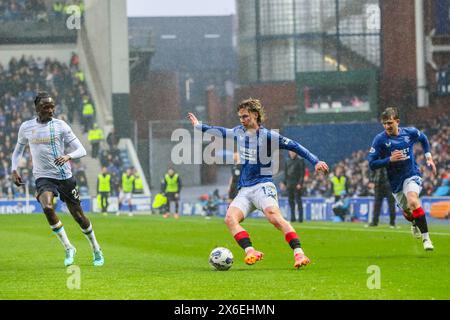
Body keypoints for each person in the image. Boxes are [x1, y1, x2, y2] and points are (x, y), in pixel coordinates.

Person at [187, 98, 329, 269]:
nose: (242, 120)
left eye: (245, 116)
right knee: (230, 219)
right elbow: (219, 131)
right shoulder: (238, 132)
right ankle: (250, 251)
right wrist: (199, 126)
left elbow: (295, 146)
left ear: (255, 115)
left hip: (263, 185)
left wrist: (315, 161)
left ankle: (299, 253)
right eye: (240, 117)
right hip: (245, 189)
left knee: (274, 217)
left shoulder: (269, 136)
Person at [11, 92, 104, 267]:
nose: (51, 110)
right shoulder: (26, 127)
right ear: (37, 108)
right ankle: (69, 247)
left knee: (78, 216)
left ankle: (96, 248)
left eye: (52, 106)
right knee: (47, 207)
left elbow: (81, 149)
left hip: (64, 177)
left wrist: (68, 156)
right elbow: (18, 151)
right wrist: (13, 169)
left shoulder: (61, 126)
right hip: (43, 177)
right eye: (46, 107)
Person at [368, 107, 437, 251]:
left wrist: (428, 157)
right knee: (408, 212)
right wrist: (389, 159)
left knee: (413, 199)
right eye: (384, 123)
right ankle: (414, 223)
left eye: (390, 123)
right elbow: (371, 163)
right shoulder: (380, 140)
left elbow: (423, 138)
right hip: (395, 182)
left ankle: (426, 239)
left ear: (397, 121)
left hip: (411, 174)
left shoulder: (409, 133)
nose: (387, 126)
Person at [280, 150, 305, 223]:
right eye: (290, 152)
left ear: (296, 152)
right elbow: (286, 173)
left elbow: (302, 173)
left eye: (293, 152)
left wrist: (300, 183)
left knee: (298, 200)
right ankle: (292, 218)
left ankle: (300, 218)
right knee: (291, 201)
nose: (291, 153)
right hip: (289, 183)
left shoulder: (300, 160)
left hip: (297, 183)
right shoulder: (287, 161)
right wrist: (284, 183)